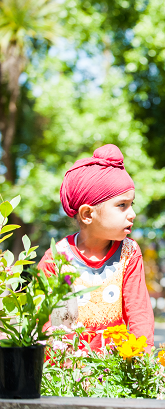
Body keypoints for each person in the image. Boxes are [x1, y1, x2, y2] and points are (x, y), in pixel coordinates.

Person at [38, 144, 154, 350]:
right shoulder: (56, 259)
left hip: (114, 374)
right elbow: (43, 322)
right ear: (87, 214)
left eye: (131, 204)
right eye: (122, 205)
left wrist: (141, 364)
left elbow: (139, 316)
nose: (132, 214)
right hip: (66, 375)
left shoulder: (129, 253)